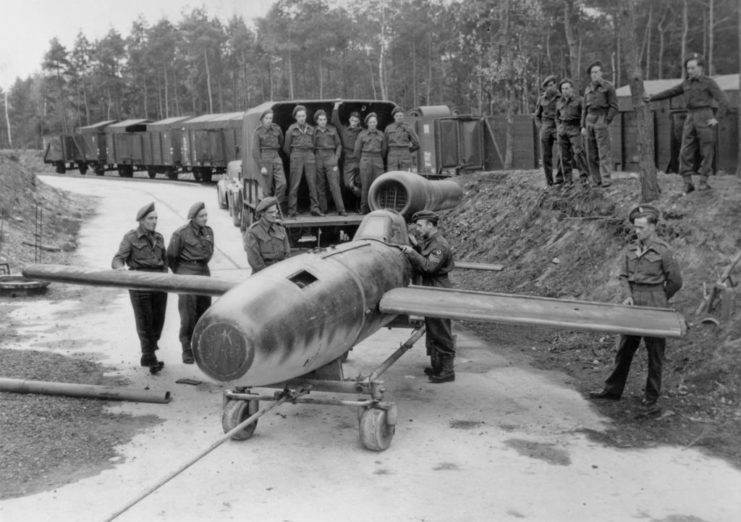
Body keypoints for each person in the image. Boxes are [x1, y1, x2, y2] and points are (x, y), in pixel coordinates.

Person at [589, 205, 683, 411]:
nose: (637, 231)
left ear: (653, 227)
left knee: (655, 352)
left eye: (641, 228)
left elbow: (675, 281)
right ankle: (612, 390)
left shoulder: (664, 251)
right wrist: (629, 296)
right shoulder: (631, 249)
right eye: (635, 227)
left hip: (655, 304)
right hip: (633, 304)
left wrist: (659, 297)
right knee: (624, 349)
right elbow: (623, 276)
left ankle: (651, 396)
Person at [644, 53, 729, 193]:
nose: (689, 71)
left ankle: (703, 181)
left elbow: (723, 100)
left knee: (706, 150)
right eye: (688, 68)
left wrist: (717, 118)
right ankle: (687, 182)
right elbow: (670, 92)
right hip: (690, 116)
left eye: (693, 68)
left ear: (701, 68)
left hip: (705, 115)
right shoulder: (686, 83)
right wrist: (652, 98)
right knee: (685, 150)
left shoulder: (709, 82)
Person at [400, 210, 456, 383]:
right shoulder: (430, 241)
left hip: (438, 289)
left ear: (430, 225)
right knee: (433, 329)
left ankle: (447, 371)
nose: (417, 228)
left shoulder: (439, 244)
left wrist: (411, 252)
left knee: (441, 330)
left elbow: (428, 267)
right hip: (431, 288)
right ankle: (439, 367)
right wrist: (416, 247)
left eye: (420, 225)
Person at [111, 202, 168, 374]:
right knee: (145, 322)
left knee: (158, 322)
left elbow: (164, 260)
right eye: (151, 218)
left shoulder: (159, 238)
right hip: (140, 283)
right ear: (141, 220)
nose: (154, 221)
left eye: (156, 218)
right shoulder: (131, 237)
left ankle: (149, 352)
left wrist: (165, 275)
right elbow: (118, 258)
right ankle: (149, 356)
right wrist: (119, 268)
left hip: (159, 283)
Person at [166, 202, 214, 364]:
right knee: (188, 314)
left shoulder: (208, 232)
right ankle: (186, 348)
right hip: (187, 274)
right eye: (202, 216)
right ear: (193, 218)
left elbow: (209, 253)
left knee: (204, 311)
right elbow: (171, 257)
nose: (205, 219)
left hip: (204, 273)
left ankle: (201, 346)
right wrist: (181, 275)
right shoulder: (181, 234)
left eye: (206, 215)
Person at [581, 61, 618, 188]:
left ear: (601, 73)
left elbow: (614, 107)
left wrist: (606, 120)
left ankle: (606, 179)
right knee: (591, 153)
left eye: (597, 72)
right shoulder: (587, 89)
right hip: (589, 119)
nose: (594, 74)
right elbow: (584, 109)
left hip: (601, 117)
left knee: (603, 151)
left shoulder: (608, 87)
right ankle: (596, 180)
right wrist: (583, 126)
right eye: (592, 72)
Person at [283, 105, 322, 217]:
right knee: (294, 184)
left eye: (303, 116)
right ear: (295, 117)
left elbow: (314, 144)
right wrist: (294, 156)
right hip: (296, 155)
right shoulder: (291, 129)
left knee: (312, 183)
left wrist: (309, 154)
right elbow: (286, 147)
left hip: (309, 155)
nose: (301, 118)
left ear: (306, 116)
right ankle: (292, 210)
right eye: (299, 116)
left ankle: (315, 208)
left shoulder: (311, 129)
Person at [243, 196, 291, 273]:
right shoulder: (253, 233)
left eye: (275, 211)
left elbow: (287, 255)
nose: (274, 215)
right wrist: (271, 276)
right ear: (262, 213)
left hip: (281, 274)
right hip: (262, 276)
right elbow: (255, 262)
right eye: (270, 212)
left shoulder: (280, 230)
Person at [556, 78, 589, 186]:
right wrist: (559, 127)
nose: (564, 91)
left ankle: (584, 177)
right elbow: (556, 117)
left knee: (579, 152)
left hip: (575, 128)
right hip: (563, 129)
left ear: (572, 89)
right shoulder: (559, 102)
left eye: (567, 88)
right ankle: (568, 180)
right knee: (564, 156)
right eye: (562, 89)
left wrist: (582, 127)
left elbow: (584, 114)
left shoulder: (579, 100)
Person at [313, 109, 347, 216]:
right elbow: (312, 146)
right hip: (318, 157)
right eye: (320, 120)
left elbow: (339, 145)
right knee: (320, 185)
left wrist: (336, 158)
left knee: (334, 184)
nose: (323, 121)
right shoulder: (314, 131)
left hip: (331, 157)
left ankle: (341, 209)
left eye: (324, 119)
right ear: (317, 121)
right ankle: (323, 209)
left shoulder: (332, 130)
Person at [252, 109, 286, 205]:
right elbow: (255, 151)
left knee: (283, 183)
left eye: (271, 118)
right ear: (262, 120)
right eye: (266, 118)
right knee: (267, 188)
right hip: (265, 157)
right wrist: (261, 166)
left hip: (276, 156)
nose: (269, 120)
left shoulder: (277, 129)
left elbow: (281, 141)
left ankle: (275, 205)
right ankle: (268, 211)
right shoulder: (258, 132)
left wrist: (276, 153)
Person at [353, 112, 386, 214]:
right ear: (367, 123)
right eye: (370, 122)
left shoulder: (381, 134)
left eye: (374, 122)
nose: (372, 124)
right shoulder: (362, 135)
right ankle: (364, 208)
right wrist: (363, 161)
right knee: (365, 185)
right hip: (365, 160)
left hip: (377, 160)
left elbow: (384, 151)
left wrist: (378, 159)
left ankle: (378, 208)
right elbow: (357, 151)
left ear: (377, 123)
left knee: (379, 184)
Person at [534, 75, 564, 186]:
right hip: (545, 126)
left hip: (557, 125)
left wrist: (561, 126)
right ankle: (549, 182)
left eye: (553, 85)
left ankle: (560, 178)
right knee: (546, 155)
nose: (552, 87)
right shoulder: (541, 98)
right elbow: (537, 116)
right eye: (549, 86)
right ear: (545, 88)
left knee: (562, 151)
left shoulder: (561, 97)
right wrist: (540, 127)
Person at [384, 107, 420, 171]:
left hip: (405, 155)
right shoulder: (388, 128)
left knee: (405, 176)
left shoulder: (408, 128)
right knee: (392, 176)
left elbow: (417, 144)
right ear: (394, 117)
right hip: (392, 156)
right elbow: (385, 146)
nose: (399, 117)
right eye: (397, 116)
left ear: (403, 116)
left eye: (400, 115)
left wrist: (407, 150)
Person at [339, 111, 363, 199]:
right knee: (347, 183)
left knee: (361, 181)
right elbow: (335, 120)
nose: (353, 123)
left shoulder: (362, 131)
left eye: (356, 121)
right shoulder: (344, 129)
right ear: (349, 120)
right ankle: (358, 193)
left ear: (359, 122)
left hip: (359, 159)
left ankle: (360, 204)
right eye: (352, 120)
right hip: (348, 159)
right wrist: (336, 107)